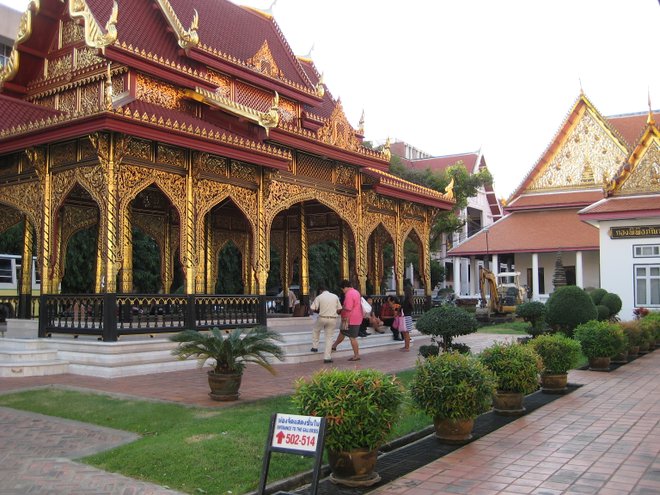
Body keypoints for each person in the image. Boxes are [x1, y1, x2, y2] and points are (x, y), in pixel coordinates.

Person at [309, 284, 342, 364]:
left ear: (320, 291)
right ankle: (327, 357)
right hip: (333, 319)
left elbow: (312, 308)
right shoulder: (335, 296)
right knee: (329, 338)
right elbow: (339, 309)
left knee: (316, 330)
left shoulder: (319, 297)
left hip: (322, 317)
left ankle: (315, 347)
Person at [331, 279, 363, 361]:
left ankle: (356, 355)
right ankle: (334, 346)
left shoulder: (349, 294)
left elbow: (348, 307)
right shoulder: (356, 292)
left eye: (342, 289)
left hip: (350, 319)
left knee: (352, 337)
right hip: (355, 317)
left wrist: (340, 309)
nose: (342, 291)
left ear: (344, 287)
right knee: (342, 332)